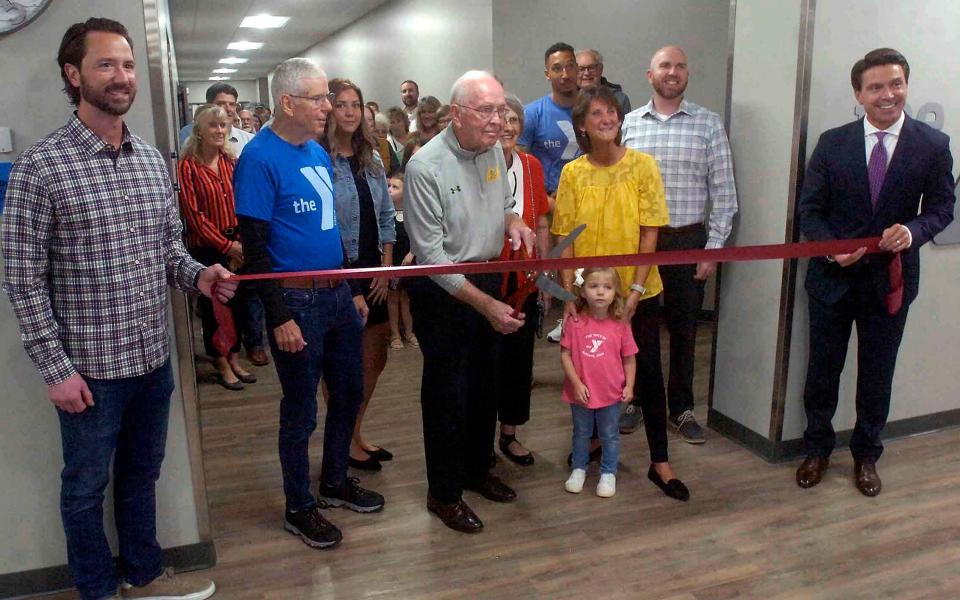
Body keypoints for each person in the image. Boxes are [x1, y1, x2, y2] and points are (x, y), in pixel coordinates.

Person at [1, 17, 233, 600]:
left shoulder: (153, 162)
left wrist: (202, 276)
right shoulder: (41, 166)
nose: (121, 76)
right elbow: (22, 280)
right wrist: (56, 370)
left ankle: (142, 576)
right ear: (73, 74)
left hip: (152, 360)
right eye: (106, 64)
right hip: (88, 371)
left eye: (128, 65)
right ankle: (98, 591)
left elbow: (167, 252)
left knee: (141, 476)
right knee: (84, 489)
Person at [233, 57, 384, 550]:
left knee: (347, 392)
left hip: (337, 295)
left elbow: (329, 230)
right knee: (300, 412)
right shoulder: (259, 159)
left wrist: (352, 289)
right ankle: (299, 507)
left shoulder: (316, 153)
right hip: (296, 304)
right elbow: (255, 248)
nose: (327, 106)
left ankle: (335, 480)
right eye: (319, 99)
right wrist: (278, 317)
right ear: (288, 102)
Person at [795, 48, 955, 497]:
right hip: (832, 280)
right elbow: (810, 210)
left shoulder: (932, 145)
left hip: (891, 282)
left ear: (906, 85)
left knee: (877, 374)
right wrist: (831, 251)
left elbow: (943, 208)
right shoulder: (832, 143)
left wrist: (914, 230)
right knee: (822, 372)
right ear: (859, 94)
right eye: (876, 87)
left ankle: (866, 456)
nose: (888, 95)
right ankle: (817, 449)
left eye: (896, 84)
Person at [405, 70, 535, 533]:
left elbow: (500, 205)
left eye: (501, 109)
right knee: (448, 395)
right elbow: (433, 257)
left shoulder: (494, 153)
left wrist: (514, 221)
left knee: (486, 386)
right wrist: (485, 305)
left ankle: (478, 470)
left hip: (488, 278)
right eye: (486, 110)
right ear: (456, 115)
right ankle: (443, 494)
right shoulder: (425, 167)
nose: (498, 120)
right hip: (445, 292)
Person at [552, 85, 689, 502]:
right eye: (596, 114)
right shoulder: (573, 174)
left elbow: (651, 233)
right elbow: (566, 240)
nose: (607, 119)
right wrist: (570, 297)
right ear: (582, 125)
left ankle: (659, 461)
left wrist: (633, 291)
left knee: (645, 372)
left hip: (636, 293)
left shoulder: (643, 166)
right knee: (591, 369)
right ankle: (594, 442)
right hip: (589, 296)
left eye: (611, 112)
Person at [620, 45, 738, 443]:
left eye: (680, 66)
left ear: (687, 74)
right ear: (649, 74)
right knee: (639, 325)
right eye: (665, 66)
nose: (673, 72)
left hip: (689, 238)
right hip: (641, 243)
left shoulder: (708, 124)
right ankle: (634, 398)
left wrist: (714, 248)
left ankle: (681, 408)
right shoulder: (630, 124)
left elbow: (724, 191)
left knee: (685, 329)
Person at [322, 78, 397, 472]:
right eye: (342, 105)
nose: (350, 112)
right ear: (328, 110)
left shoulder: (372, 157)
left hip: (374, 269)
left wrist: (385, 270)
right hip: (340, 274)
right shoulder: (320, 159)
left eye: (356, 105)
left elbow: (386, 217)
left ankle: (356, 430)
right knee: (344, 366)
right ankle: (344, 440)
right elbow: (326, 228)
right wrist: (351, 283)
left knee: (376, 357)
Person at [178, 104, 257, 391]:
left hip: (236, 244)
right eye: (213, 125)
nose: (220, 131)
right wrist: (227, 246)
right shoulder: (187, 166)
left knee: (236, 306)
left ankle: (234, 356)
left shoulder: (230, 161)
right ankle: (220, 359)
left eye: (223, 125)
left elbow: (244, 201)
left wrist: (239, 244)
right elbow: (194, 216)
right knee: (214, 308)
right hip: (208, 249)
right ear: (199, 130)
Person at [496, 95, 550, 466]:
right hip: (490, 277)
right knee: (488, 361)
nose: (509, 127)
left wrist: (542, 269)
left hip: (526, 276)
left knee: (519, 361)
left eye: (514, 120)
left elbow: (542, 222)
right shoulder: (479, 164)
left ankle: (510, 433)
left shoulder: (531, 166)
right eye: (502, 120)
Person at [561, 268, 637, 497]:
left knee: (609, 434)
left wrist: (629, 386)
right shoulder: (574, 323)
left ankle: (608, 472)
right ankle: (578, 468)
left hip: (610, 393)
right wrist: (576, 383)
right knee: (581, 433)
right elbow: (565, 355)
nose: (600, 293)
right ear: (583, 291)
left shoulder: (621, 326)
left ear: (616, 293)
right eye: (594, 287)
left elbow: (629, 359)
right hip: (581, 393)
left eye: (607, 287)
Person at [518, 42, 581, 198]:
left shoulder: (593, 111)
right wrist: (543, 201)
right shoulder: (532, 113)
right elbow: (519, 166)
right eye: (557, 68)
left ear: (577, 69)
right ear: (548, 74)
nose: (565, 75)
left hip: (590, 197)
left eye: (570, 66)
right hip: (549, 201)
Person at [385, 171, 417, 350]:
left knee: (406, 297)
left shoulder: (413, 212)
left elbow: (419, 236)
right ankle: (394, 333)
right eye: (389, 186)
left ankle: (410, 332)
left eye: (395, 187)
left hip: (409, 261)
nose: (390, 190)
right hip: (392, 261)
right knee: (392, 297)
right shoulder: (386, 213)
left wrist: (412, 253)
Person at [576, 48, 632, 112]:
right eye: (581, 69)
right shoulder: (567, 99)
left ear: (601, 69)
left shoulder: (619, 99)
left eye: (591, 68)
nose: (586, 73)